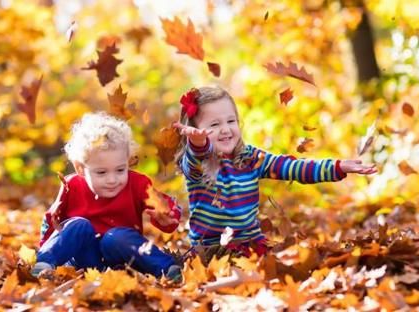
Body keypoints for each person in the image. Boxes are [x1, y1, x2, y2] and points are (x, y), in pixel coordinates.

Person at [173, 86, 377, 256]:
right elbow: (195, 161)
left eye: (231, 121)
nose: (226, 129)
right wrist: (198, 145)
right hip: (212, 249)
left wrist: (337, 166)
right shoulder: (197, 165)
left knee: (291, 263)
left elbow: (292, 168)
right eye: (214, 125)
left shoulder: (250, 158)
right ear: (193, 131)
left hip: (251, 243)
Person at [32, 112, 182, 281]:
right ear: (81, 168)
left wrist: (168, 217)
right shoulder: (71, 186)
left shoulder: (138, 184)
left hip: (120, 258)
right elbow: (52, 220)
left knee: (116, 237)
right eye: (101, 172)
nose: (112, 180)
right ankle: (43, 266)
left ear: (127, 161)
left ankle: (167, 269)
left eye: (120, 170)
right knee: (78, 225)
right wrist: (47, 250)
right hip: (83, 259)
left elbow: (165, 207)